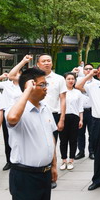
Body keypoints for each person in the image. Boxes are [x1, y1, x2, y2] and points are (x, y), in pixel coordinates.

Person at [6, 67, 58, 200]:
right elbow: (12, 118)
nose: (46, 88)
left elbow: (50, 137)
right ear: (30, 85)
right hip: (25, 176)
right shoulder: (17, 108)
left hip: (44, 176)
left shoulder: (45, 108)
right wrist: (27, 90)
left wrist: (53, 165)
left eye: (47, 84)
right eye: (42, 84)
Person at [0, 55, 33, 171]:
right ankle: (9, 160)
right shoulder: (6, 84)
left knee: (23, 136)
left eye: (19, 73)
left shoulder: (24, 85)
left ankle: (24, 158)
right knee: (8, 138)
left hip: (22, 113)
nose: (15, 75)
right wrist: (0, 77)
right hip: (7, 113)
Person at [34, 54, 66, 189]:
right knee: (36, 145)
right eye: (44, 61)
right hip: (35, 115)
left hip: (53, 115)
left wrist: (62, 118)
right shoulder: (32, 79)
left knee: (51, 146)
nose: (47, 63)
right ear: (38, 64)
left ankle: (52, 173)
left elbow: (63, 99)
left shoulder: (59, 79)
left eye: (49, 61)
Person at [59, 72, 83, 171]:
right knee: (63, 140)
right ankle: (64, 160)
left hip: (74, 117)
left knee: (73, 140)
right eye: (68, 79)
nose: (71, 81)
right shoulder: (61, 92)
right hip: (63, 117)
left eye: (72, 79)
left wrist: (81, 119)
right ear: (64, 80)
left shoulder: (78, 92)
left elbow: (80, 107)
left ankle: (71, 160)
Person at [75, 63, 95, 160]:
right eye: (86, 69)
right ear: (83, 71)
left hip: (92, 111)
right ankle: (81, 151)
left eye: (90, 69)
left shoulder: (96, 83)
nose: (88, 70)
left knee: (92, 132)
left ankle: (92, 151)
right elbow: (77, 86)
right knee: (80, 133)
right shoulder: (79, 81)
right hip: (81, 111)